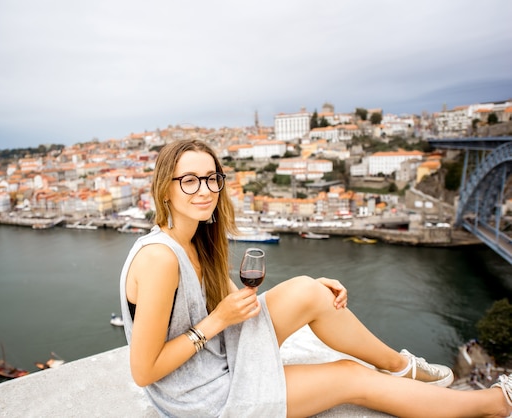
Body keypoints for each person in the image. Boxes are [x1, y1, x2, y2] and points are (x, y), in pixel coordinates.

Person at [119, 139, 512, 417]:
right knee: (350, 377)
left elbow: (229, 311)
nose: (204, 190)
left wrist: (305, 297)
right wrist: (218, 320)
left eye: (211, 178)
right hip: (199, 397)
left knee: (311, 290)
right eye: (189, 180)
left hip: (213, 358)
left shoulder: (198, 240)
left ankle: (398, 366)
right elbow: (144, 371)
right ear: (164, 190)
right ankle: (493, 405)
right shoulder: (160, 259)